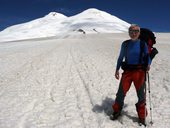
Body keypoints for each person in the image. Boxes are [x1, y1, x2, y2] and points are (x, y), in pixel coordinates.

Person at [110, 24, 151, 125]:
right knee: (121, 93)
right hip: (128, 71)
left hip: (140, 72)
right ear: (128, 32)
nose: (133, 33)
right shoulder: (125, 44)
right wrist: (117, 70)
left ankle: (142, 116)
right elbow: (120, 58)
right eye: (131, 31)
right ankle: (117, 110)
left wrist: (148, 64)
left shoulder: (143, 44)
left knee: (141, 95)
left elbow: (147, 56)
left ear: (139, 33)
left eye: (136, 31)